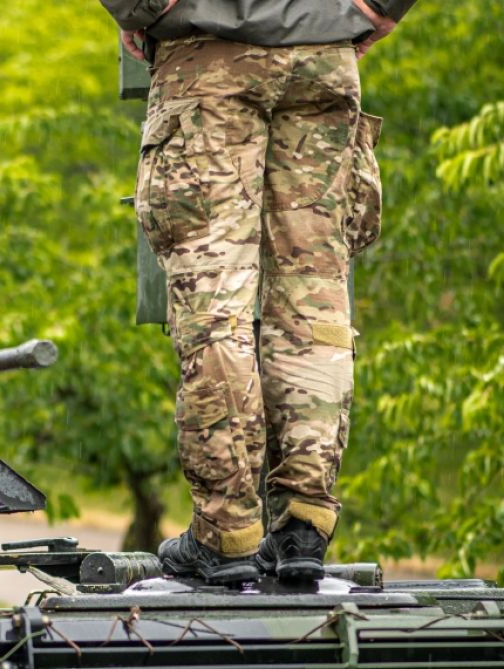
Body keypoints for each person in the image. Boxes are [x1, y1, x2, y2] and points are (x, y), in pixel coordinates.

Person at [98, 0, 415, 584]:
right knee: (314, 302)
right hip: (324, 55)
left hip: (209, 53)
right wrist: (379, 7)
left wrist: (141, 8)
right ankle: (304, 523)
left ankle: (228, 531)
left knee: (215, 306)